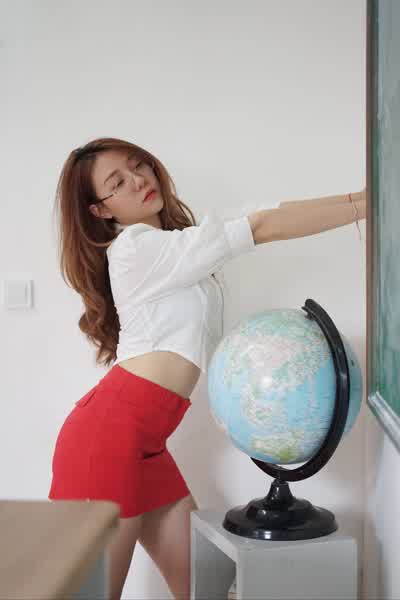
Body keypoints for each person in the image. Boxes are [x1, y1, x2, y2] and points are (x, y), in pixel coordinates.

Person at [48, 136, 366, 600]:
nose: (138, 180)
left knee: (205, 589)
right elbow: (261, 225)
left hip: (146, 443)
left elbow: (266, 213)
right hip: (106, 438)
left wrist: (363, 201)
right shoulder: (136, 248)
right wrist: (367, 206)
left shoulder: (178, 248)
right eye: (117, 182)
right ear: (100, 210)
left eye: (138, 165)